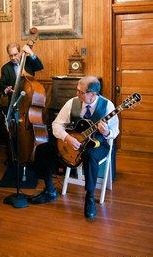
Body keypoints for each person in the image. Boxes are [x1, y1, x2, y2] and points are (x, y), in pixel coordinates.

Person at [28, 76, 119, 221]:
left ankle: (89, 198)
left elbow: (114, 131)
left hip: (98, 144)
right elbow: (56, 124)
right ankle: (50, 190)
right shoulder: (72, 103)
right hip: (72, 143)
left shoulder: (107, 106)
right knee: (43, 149)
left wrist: (106, 132)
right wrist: (67, 138)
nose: (77, 94)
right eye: (77, 90)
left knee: (90, 155)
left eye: (80, 92)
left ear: (92, 94)